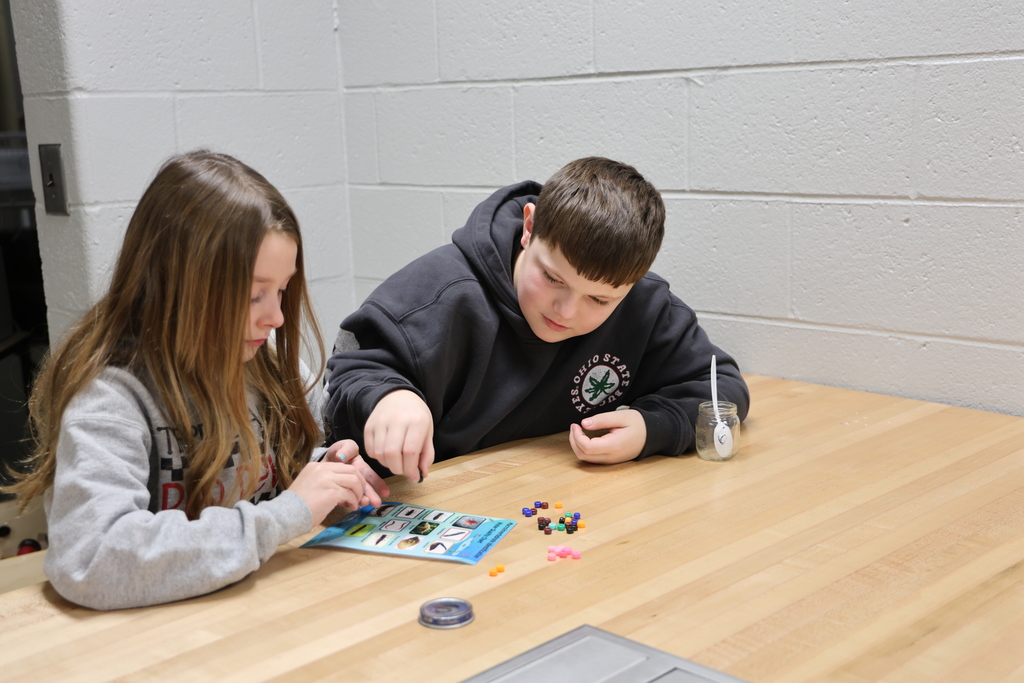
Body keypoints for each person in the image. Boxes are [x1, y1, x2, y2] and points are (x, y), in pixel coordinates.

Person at [5, 151, 387, 610]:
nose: (277, 317)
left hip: (256, 606)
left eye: (282, 290)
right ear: (180, 286)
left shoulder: (262, 359)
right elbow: (90, 559)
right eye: (254, 295)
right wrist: (287, 514)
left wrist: (328, 473)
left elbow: (275, 472)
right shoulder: (110, 397)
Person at [324, 157, 749, 480]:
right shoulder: (436, 294)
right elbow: (352, 366)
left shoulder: (644, 305)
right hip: (421, 501)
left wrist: (651, 427)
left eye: (599, 300)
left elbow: (722, 386)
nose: (566, 311)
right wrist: (388, 396)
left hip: (536, 495)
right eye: (552, 278)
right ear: (529, 227)